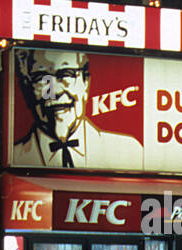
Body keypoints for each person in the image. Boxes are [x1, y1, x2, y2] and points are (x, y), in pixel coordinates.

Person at [11, 50, 143, 168]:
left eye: (66, 75)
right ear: (26, 89)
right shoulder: (14, 156)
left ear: (85, 83)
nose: (55, 91)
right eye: (41, 78)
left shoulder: (130, 151)